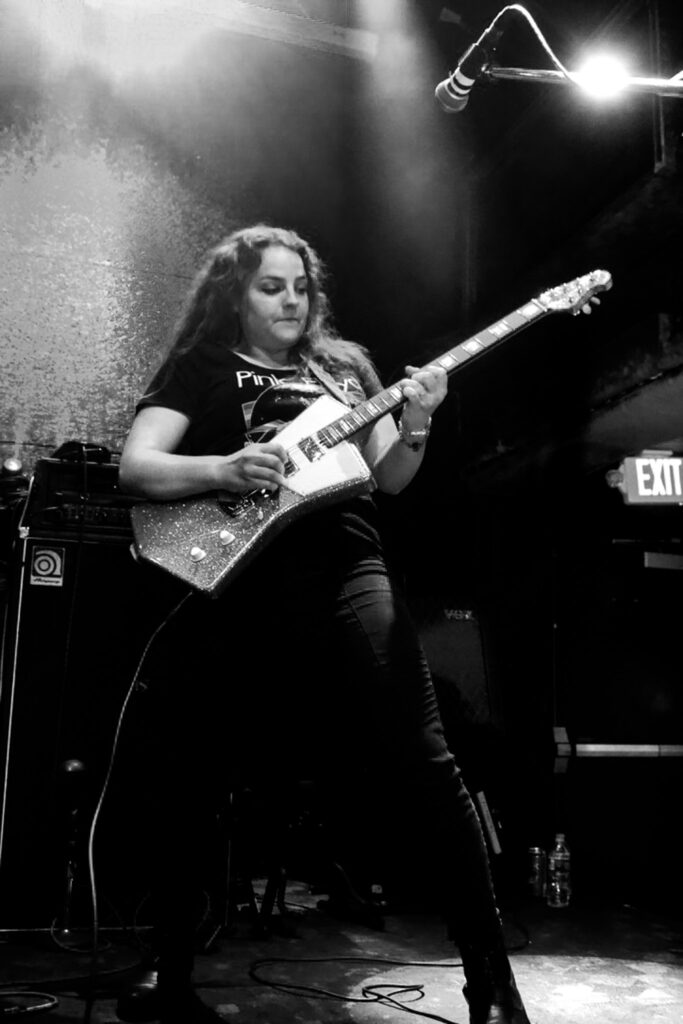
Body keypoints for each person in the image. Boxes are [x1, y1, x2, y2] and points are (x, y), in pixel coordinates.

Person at [116, 223, 533, 1024]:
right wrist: (222, 466)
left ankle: (489, 978)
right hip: (238, 570)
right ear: (234, 295)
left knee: (426, 755)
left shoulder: (342, 368)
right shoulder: (202, 364)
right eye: (270, 287)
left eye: (300, 287)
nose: (290, 301)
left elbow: (392, 477)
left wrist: (419, 419)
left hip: (346, 561)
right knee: (193, 769)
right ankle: (170, 979)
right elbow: (139, 466)